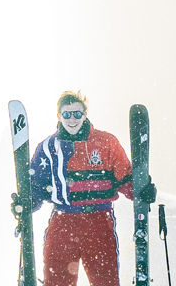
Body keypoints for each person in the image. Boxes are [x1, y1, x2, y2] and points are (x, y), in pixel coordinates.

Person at [20, 91, 155, 286]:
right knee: (57, 281)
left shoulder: (106, 142)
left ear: (85, 114)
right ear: (58, 116)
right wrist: (26, 202)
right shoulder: (49, 147)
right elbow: (37, 185)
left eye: (77, 113)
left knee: (105, 281)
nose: (72, 119)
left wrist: (141, 190)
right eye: (66, 114)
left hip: (99, 221)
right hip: (63, 221)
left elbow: (124, 177)